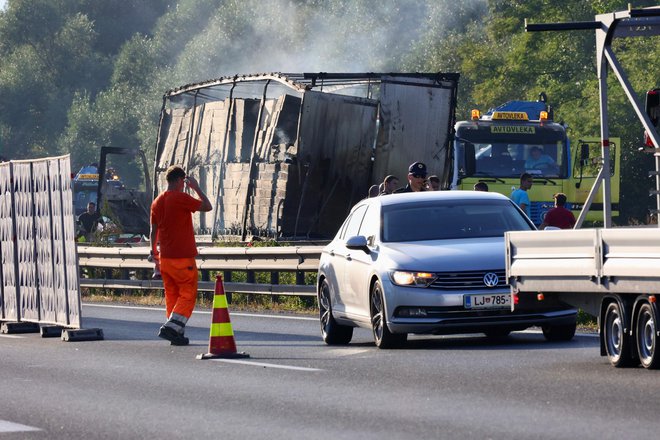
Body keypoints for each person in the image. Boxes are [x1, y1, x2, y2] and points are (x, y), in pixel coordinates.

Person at [150, 165, 212, 346]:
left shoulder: (157, 201)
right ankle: (172, 327)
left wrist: (154, 253)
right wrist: (196, 187)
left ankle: (176, 332)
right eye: (184, 182)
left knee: (173, 296)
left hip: (165, 259)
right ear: (179, 181)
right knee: (188, 293)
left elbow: (154, 231)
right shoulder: (181, 198)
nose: (184, 186)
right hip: (182, 257)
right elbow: (207, 206)